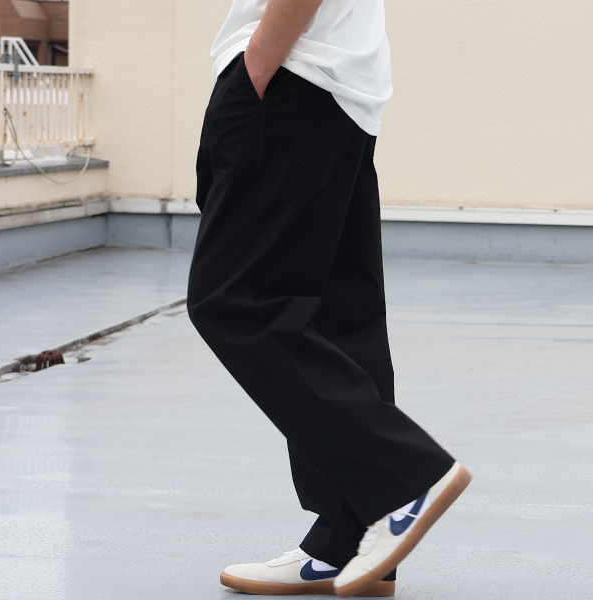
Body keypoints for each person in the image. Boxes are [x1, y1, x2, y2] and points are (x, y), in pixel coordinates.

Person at [187, 0, 472, 596]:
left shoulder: (277, 71)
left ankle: (402, 479)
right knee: (338, 316)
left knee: (237, 300)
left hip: (289, 75)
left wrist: (256, 65)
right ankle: (350, 540)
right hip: (339, 92)